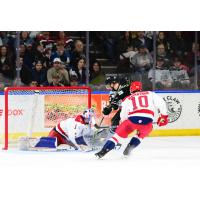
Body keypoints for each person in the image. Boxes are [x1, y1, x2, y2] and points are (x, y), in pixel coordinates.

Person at [95, 81, 168, 159]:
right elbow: (162, 103)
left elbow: (123, 114)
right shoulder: (150, 94)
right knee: (140, 136)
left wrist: (122, 123)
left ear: (131, 89)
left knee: (116, 137)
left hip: (132, 120)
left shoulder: (127, 98)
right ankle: (128, 150)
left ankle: (102, 152)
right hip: (147, 122)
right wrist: (164, 116)